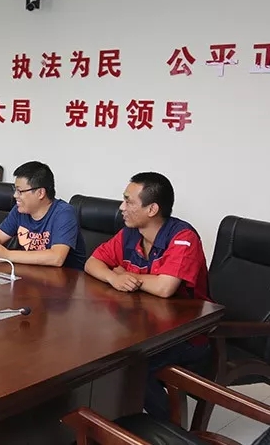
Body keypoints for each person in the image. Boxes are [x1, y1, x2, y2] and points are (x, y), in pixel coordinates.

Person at [83, 172, 211, 421]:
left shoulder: (183, 238)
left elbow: (165, 287)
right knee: (97, 350)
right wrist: (113, 277)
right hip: (144, 327)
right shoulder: (130, 233)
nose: (122, 207)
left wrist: (126, 273)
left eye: (128, 201)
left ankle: (166, 429)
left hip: (186, 336)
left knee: (128, 367)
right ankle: (108, 420)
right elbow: (93, 262)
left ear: (152, 209)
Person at [0, 161, 87, 269]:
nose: (15, 195)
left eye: (20, 191)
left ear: (40, 193)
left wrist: (7, 255)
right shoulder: (19, 210)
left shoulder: (64, 213)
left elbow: (56, 257)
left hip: (65, 278)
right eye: (15, 190)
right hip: (30, 273)